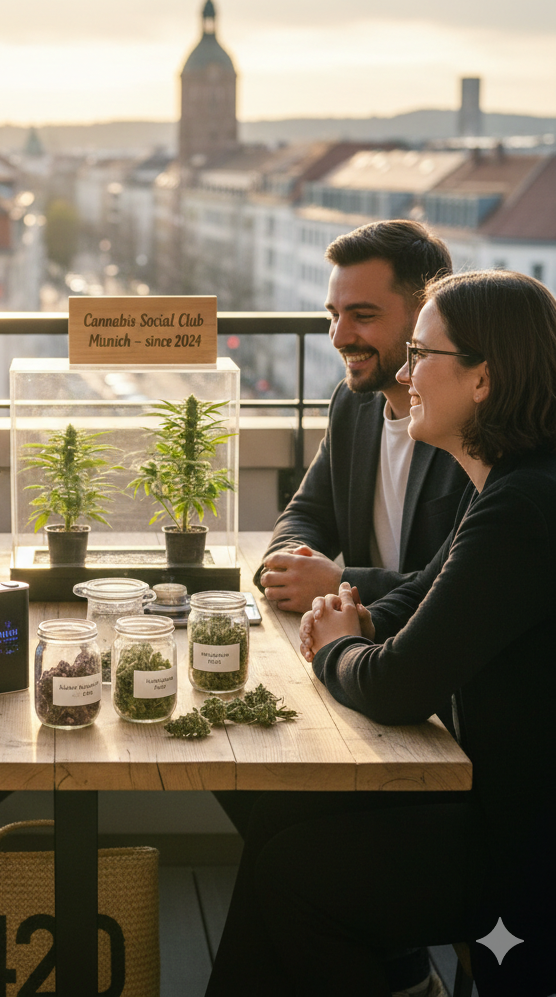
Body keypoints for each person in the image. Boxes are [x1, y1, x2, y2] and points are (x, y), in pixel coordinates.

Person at [208, 270, 556, 997]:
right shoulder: (506, 483)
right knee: (279, 811)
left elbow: (397, 683)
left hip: (523, 837)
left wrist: (338, 644)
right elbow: (416, 603)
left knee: (295, 879)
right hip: (486, 793)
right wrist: (357, 621)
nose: (403, 373)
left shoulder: (523, 508)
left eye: (421, 354)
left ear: (484, 379)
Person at [257, 220, 468, 613]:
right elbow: (307, 513)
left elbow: (465, 588)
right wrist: (290, 565)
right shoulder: (353, 404)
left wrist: (339, 583)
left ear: (425, 316)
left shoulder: (471, 421)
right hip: (365, 645)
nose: (338, 336)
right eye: (334, 314)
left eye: (362, 316)